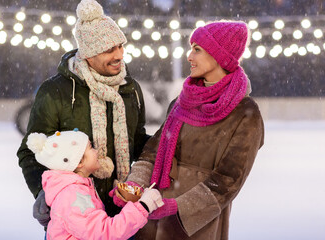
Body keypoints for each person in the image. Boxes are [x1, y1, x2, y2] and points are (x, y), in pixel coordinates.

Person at [110, 20, 265, 239]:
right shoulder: (182, 102)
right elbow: (152, 153)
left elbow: (228, 180)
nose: (189, 56)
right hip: (150, 218)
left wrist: (177, 206)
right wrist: (133, 186)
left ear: (219, 56)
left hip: (195, 227)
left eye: (197, 49)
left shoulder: (245, 113)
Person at [17, 0, 149, 228]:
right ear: (89, 53)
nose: (119, 55)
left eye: (120, 46)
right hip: (76, 213)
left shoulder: (130, 89)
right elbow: (31, 151)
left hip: (124, 212)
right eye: (110, 49)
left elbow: (136, 140)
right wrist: (43, 192)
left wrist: (169, 147)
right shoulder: (56, 91)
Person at [26, 129, 164, 240]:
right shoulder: (73, 196)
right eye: (91, 148)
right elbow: (104, 233)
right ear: (79, 162)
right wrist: (144, 206)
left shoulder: (76, 188)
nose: (96, 151)